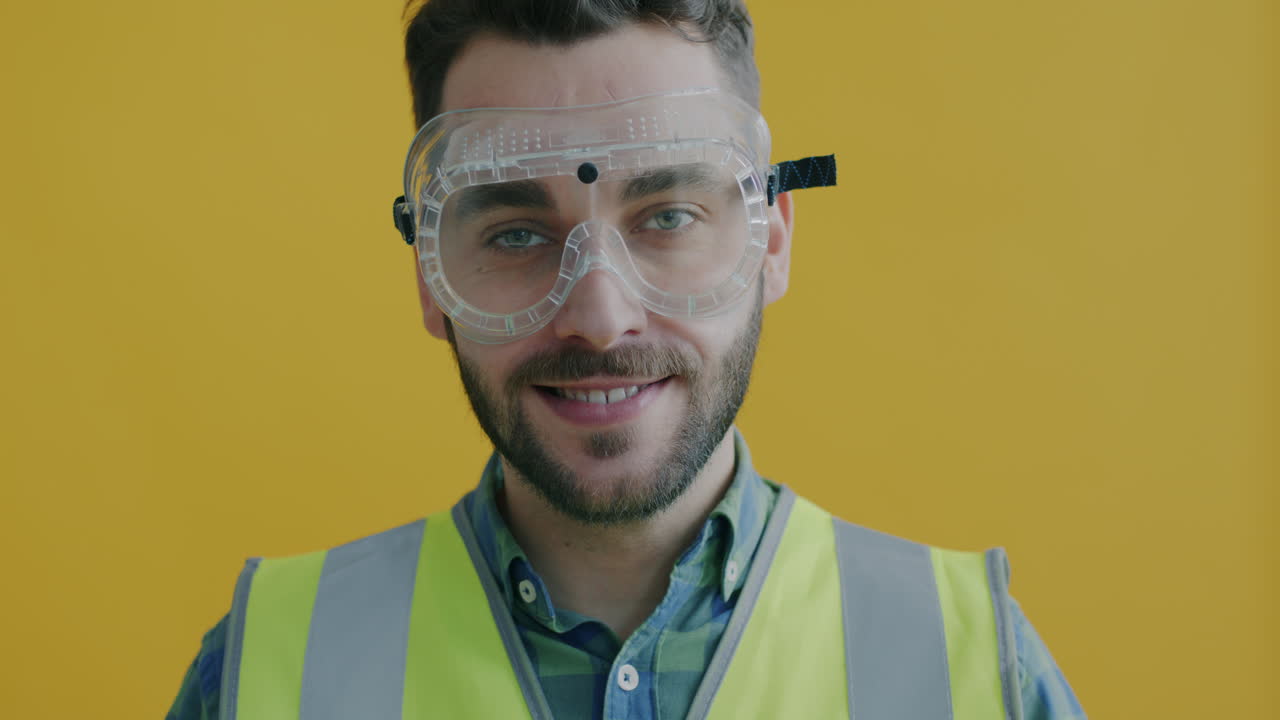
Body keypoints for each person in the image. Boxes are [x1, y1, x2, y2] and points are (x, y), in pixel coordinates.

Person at [168, 1, 1086, 718]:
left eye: (668, 217)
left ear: (770, 241)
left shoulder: (972, 668)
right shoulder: (267, 672)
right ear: (431, 276)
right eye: (519, 232)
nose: (600, 321)